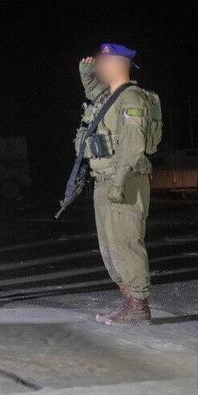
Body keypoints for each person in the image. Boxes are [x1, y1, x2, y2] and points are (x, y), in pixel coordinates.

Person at [77, 44, 160, 325]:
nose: (101, 65)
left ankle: (139, 305)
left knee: (126, 241)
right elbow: (95, 94)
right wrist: (86, 75)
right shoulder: (108, 97)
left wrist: (119, 179)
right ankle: (128, 299)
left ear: (121, 63)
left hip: (126, 179)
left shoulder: (132, 97)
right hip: (104, 179)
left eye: (106, 61)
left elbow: (133, 142)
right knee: (110, 246)